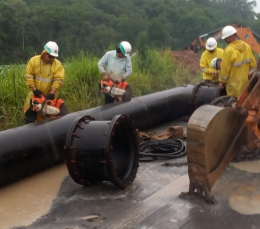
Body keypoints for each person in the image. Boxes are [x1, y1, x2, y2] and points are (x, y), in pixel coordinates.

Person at [23, 41, 67, 123]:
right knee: (29, 118)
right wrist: (34, 90)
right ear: (44, 53)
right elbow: (29, 76)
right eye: (50, 56)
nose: (52, 59)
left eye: (54, 57)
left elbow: (59, 79)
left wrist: (52, 93)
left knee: (51, 120)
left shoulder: (57, 65)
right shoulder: (34, 61)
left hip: (50, 97)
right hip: (35, 95)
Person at [219, 25, 256, 97]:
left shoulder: (228, 50)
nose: (225, 40)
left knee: (234, 106)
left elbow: (225, 69)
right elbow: (253, 64)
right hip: (246, 85)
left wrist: (221, 81)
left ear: (230, 37)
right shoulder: (246, 46)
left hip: (233, 88)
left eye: (225, 38)